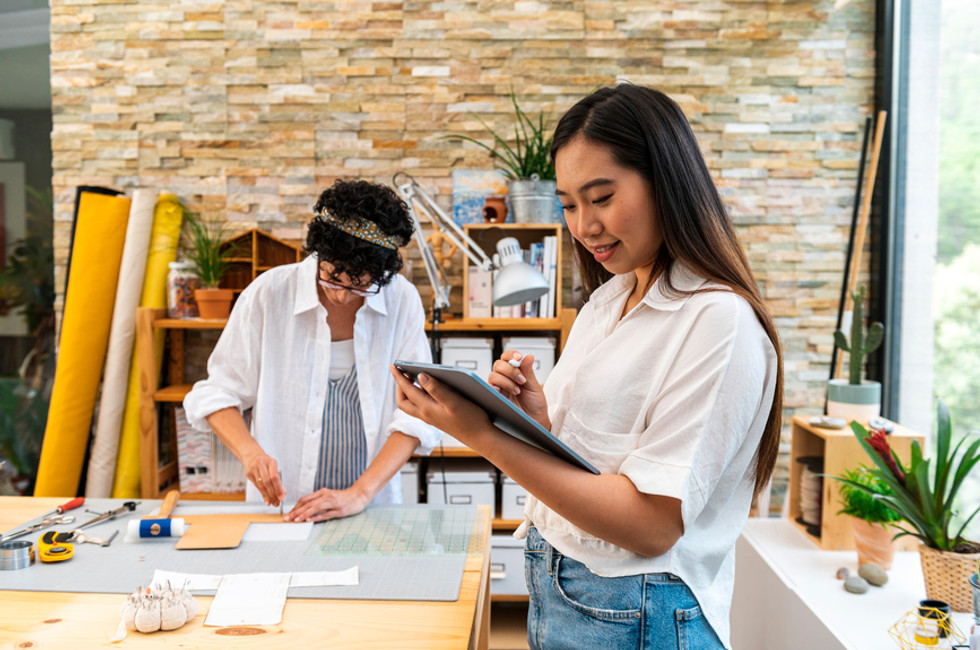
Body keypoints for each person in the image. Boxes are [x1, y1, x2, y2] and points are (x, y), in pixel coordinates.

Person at [391, 84, 783, 649]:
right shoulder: (609, 300)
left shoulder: (718, 320)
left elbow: (651, 525)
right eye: (569, 204)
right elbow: (597, 469)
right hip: (568, 587)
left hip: (639, 608)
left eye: (601, 198)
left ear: (667, 182)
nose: (583, 226)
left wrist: (483, 436)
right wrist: (534, 421)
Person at [184, 178, 441, 522]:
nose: (341, 295)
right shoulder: (269, 294)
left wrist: (359, 494)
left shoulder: (401, 300)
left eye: (360, 285)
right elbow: (218, 393)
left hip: (370, 507)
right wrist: (250, 454)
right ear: (318, 253)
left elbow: (418, 410)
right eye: (332, 276)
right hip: (282, 507)